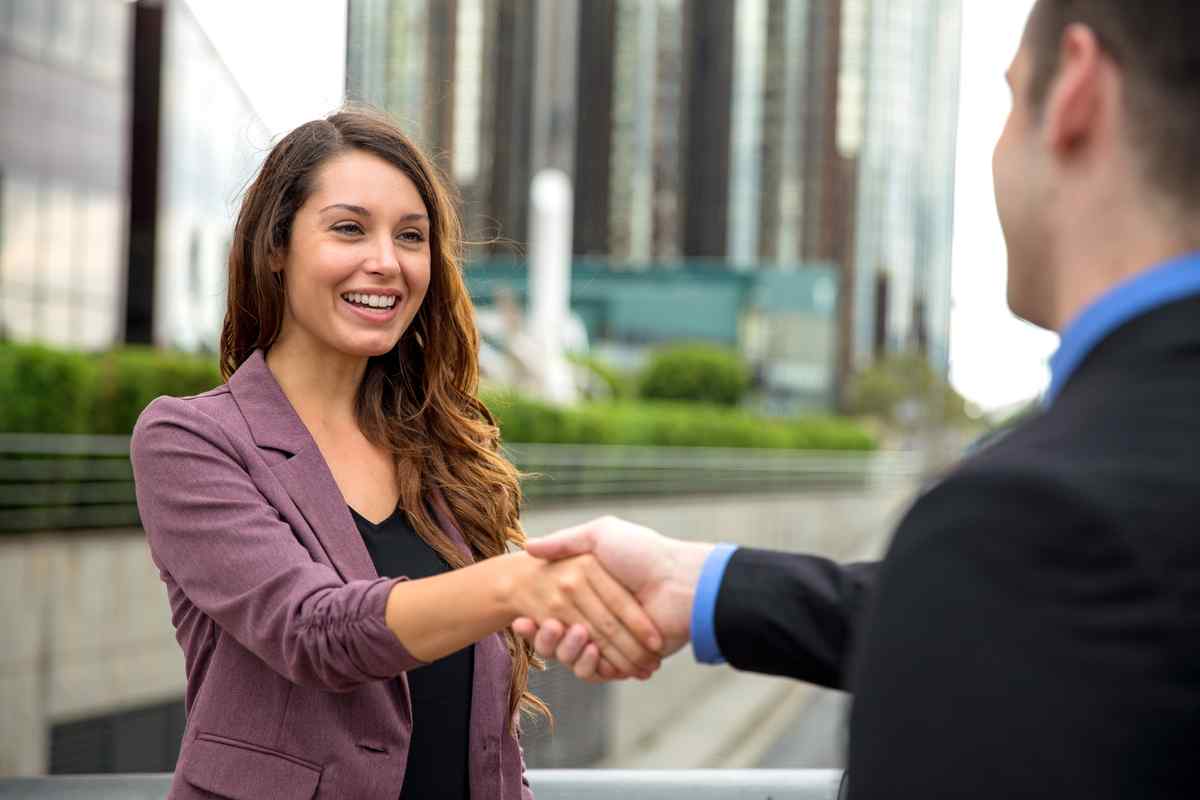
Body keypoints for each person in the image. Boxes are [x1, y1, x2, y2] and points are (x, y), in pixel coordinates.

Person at [515, 2, 1200, 797]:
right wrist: (704, 584)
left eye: (1011, 97)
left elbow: (1034, 601)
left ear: (1077, 88)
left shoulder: (1029, 525)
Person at [130, 108, 661, 800]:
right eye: (349, 228)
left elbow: (488, 736)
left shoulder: (442, 451)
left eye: (411, 237)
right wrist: (519, 584)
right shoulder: (192, 440)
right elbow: (313, 631)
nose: (386, 261)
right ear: (275, 246)